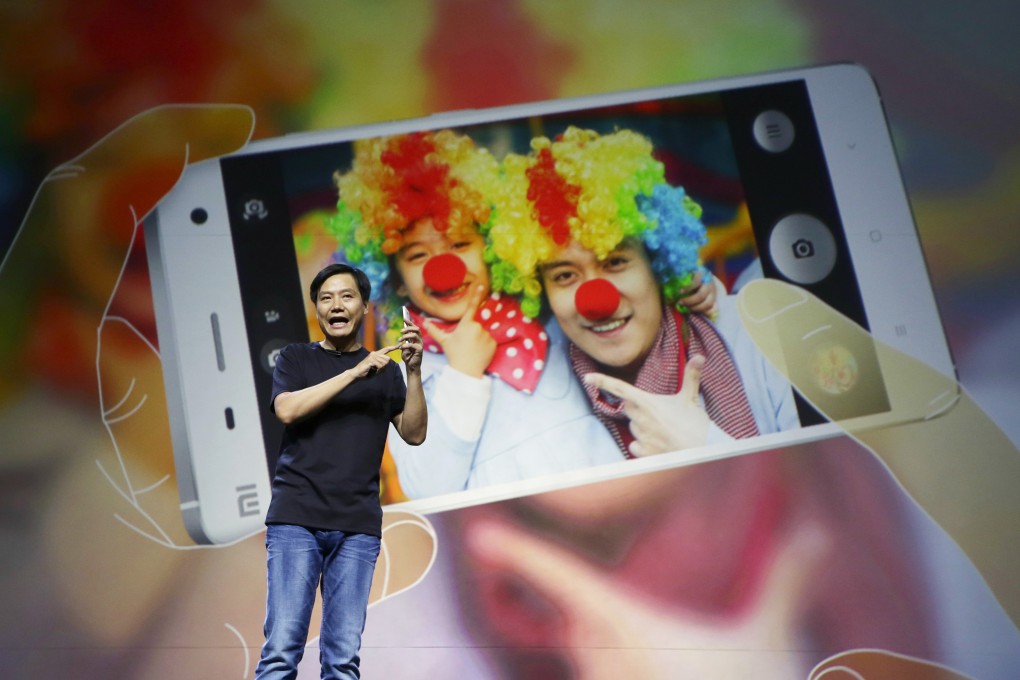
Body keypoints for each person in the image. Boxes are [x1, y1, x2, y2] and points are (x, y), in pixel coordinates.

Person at [327, 130, 634, 498]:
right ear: (398, 282)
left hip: (612, 503)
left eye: (460, 243)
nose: (445, 267)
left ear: (490, 248)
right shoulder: (404, 378)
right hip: (509, 541)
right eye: (418, 255)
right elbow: (426, 488)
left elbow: (633, 323)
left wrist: (695, 288)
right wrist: (463, 374)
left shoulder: (550, 316)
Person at [488, 126, 798, 457]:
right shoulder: (537, 394)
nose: (596, 301)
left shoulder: (765, 339)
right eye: (565, 275)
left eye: (616, 262)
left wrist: (707, 448)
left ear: (656, 262)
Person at [254, 262, 427, 679]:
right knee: (281, 652)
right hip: (297, 519)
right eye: (326, 298)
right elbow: (287, 409)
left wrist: (414, 370)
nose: (336, 305)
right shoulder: (296, 358)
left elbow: (415, 433)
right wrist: (352, 374)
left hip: (357, 527)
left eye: (346, 296)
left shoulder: (385, 373)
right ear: (315, 308)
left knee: (343, 660)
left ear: (364, 307)